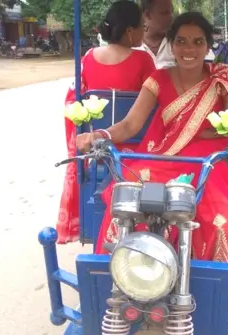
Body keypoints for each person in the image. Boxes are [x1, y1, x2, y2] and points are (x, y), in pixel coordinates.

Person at [76, 12, 228, 327]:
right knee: (124, 207)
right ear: (171, 45)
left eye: (198, 41)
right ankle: (123, 289)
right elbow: (130, 124)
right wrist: (100, 135)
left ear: (208, 45)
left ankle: (209, 298)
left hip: (206, 164)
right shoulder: (158, 79)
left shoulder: (221, 76)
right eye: (181, 41)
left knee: (221, 221)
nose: (189, 48)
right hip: (160, 157)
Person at [57, 0, 156, 244]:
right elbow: (153, 106)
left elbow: (73, 102)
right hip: (134, 146)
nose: (145, 32)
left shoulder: (89, 57)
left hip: (98, 147)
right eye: (143, 27)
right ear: (130, 31)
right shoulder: (144, 60)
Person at [136, 0, 176, 69]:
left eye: (171, 12)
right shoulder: (131, 47)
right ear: (147, 15)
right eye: (165, 13)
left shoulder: (177, 43)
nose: (171, 18)